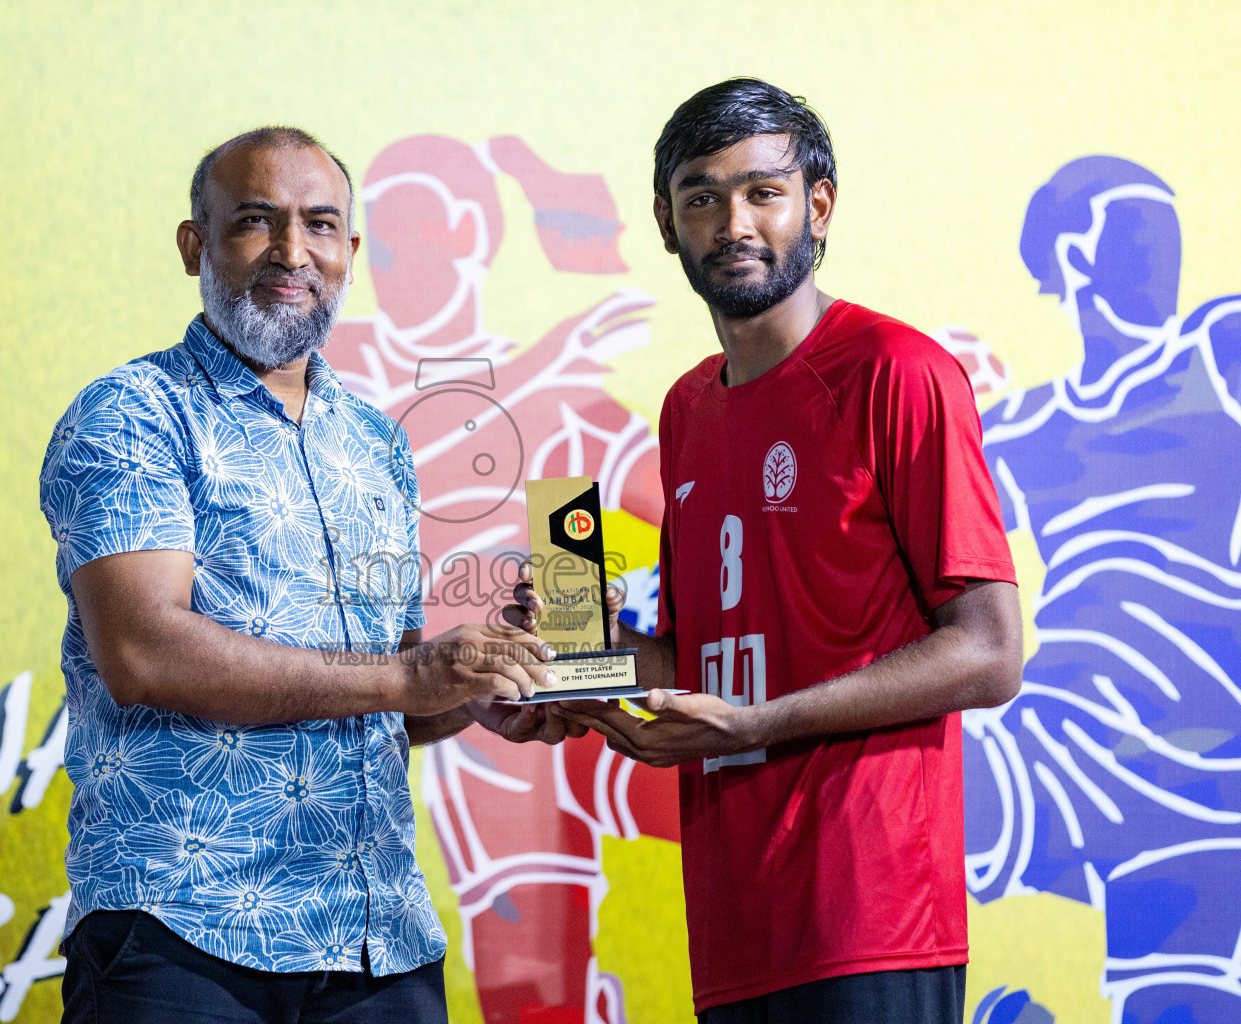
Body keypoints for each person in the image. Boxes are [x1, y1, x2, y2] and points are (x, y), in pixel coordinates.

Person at [38, 125, 561, 1024]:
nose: (292, 252)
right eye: (255, 221)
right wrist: (410, 675)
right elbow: (145, 651)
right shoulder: (131, 413)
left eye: (321, 225)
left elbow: (390, 685)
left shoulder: (377, 443)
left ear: (349, 252)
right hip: (183, 931)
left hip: (376, 939)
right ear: (193, 245)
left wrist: (475, 692)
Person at [531, 79, 1026, 1023]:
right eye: (702, 196)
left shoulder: (898, 371)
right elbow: (702, 662)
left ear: (819, 204)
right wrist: (563, 672)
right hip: (732, 929)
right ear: (668, 223)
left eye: (763, 191)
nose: (733, 222)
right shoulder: (687, 407)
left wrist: (760, 725)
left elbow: (991, 651)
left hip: (870, 917)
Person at [326, 132, 677, 1024]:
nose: (401, 262)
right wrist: (541, 369)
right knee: (535, 1000)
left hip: (598, 700)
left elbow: (700, 512)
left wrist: (627, 621)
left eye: (425, 233)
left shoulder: (568, 404)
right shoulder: (341, 395)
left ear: (476, 233)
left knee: (771, 820)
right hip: (484, 755)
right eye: (385, 242)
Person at [960, 156, 1241, 1024]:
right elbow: (876, 542)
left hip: (1208, 775)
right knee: (886, 785)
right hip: (1065, 750)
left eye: (1169, 233)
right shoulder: (1023, 430)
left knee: (1179, 1005)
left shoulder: (1215, 358)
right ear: (1075, 256)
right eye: (1139, 234)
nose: (1164, 256)